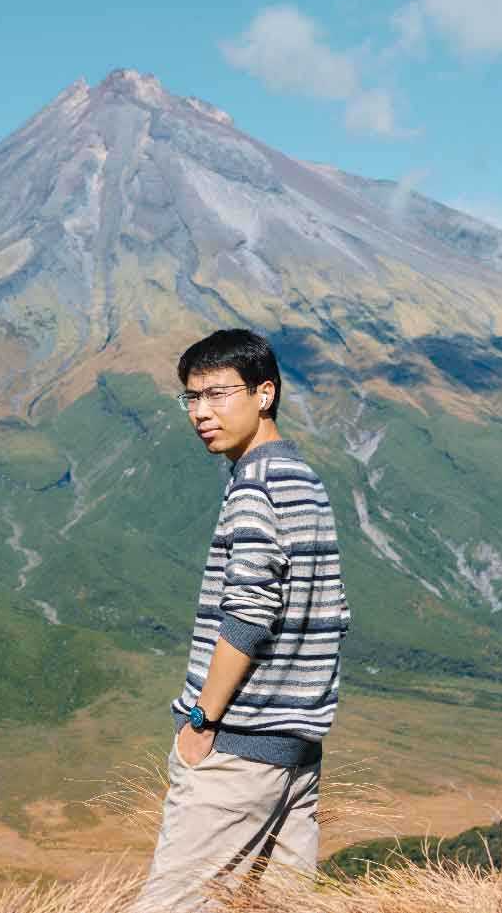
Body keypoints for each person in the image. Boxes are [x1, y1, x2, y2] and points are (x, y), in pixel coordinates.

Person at [132, 328, 351, 912]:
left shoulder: (254, 484)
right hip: (297, 744)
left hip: (240, 746)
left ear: (264, 394)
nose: (202, 413)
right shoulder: (302, 476)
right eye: (191, 397)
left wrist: (203, 720)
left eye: (218, 394)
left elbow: (250, 616)